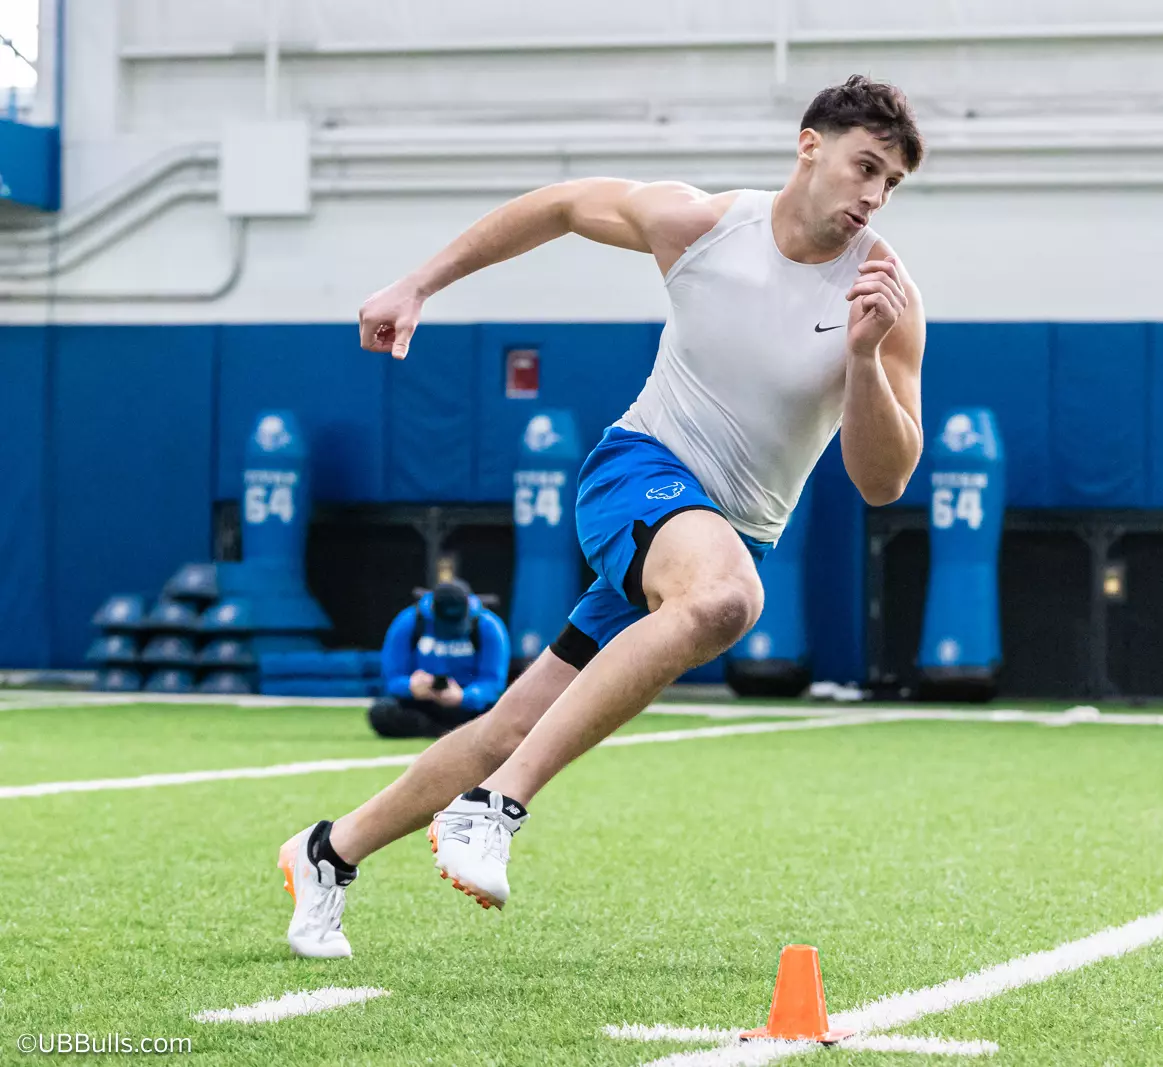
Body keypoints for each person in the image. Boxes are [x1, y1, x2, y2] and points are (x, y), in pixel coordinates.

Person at [278, 74, 926, 958]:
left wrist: (863, 359)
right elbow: (560, 205)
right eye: (865, 166)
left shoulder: (886, 296)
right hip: (640, 475)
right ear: (810, 144)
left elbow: (883, 480)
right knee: (727, 600)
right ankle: (494, 807)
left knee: (514, 720)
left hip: (725, 535)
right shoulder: (701, 226)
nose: (874, 196)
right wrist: (418, 283)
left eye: (891, 182)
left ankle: (327, 851)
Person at [367, 579, 511, 740]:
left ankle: (446, 730)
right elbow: (392, 678)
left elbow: (493, 683)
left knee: (506, 714)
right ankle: (449, 731)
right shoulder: (409, 622)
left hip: (468, 705)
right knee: (382, 712)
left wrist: (464, 697)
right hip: (422, 703)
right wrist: (411, 687)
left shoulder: (489, 626)